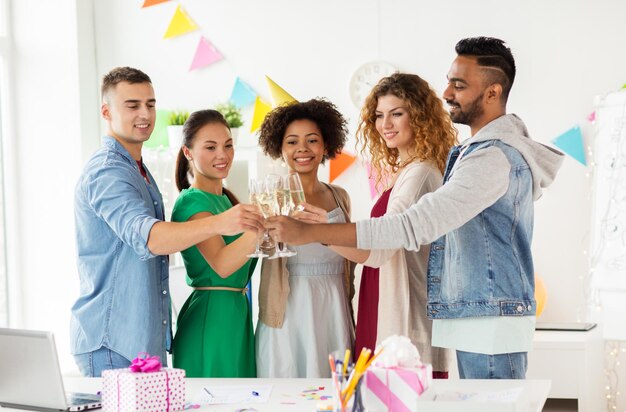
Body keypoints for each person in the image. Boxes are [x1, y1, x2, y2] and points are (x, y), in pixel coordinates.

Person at [265, 37, 564, 379]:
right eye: (379, 115)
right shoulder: (472, 154)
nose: (447, 92)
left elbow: (408, 227)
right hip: (478, 314)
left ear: (493, 92)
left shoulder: (490, 157)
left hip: (486, 314)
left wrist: (313, 233)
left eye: (459, 84)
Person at [71, 67, 262, 377]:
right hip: (112, 342)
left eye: (150, 103)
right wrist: (220, 223)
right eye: (132, 105)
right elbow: (150, 239)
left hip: (142, 341)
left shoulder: (138, 172)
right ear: (106, 111)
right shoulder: (107, 172)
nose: (145, 113)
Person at [323, 73, 455, 377]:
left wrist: (318, 234)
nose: (386, 124)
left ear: (419, 117)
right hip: (382, 298)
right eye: (380, 115)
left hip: (403, 310)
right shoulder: (407, 171)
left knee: (395, 395)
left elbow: (380, 249)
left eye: (397, 114)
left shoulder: (420, 174)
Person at [255, 99, 355, 378]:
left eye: (312, 140)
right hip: (289, 309)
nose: (302, 149)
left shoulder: (339, 196)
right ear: (280, 147)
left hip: (334, 307)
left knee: (335, 390)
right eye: (292, 142)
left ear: (326, 145)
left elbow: (352, 252)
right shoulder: (271, 196)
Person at [170, 109, 258, 377]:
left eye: (228, 145)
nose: (223, 154)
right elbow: (221, 264)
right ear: (188, 153)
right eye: (210, 147)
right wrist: (262, 227)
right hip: (211, 319)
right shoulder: (192, 202)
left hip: (235, 315)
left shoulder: (228, 201)